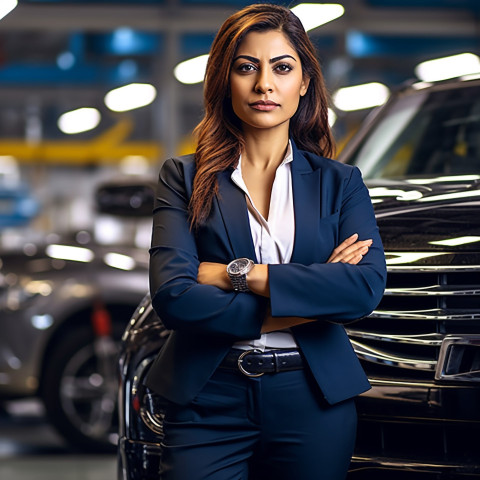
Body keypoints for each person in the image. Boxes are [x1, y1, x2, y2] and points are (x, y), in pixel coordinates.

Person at [145, 4, 387, 479]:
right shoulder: (183, 176)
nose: (264, 85)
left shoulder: (341, 183)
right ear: (224, 80)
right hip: (207, 397)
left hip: (313, 395)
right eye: (246, 67)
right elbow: (174, 298)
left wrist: (238, 274)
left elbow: (363, 290)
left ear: (304, 83)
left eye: (281, 67)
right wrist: (316, 296)